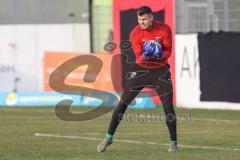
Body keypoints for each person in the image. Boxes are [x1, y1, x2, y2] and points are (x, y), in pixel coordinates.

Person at [97, 6, 177, 152]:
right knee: (122, 104)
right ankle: (108, 138)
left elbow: (168, 51)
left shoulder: (164, 29)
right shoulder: (135, 33)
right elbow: (139, 55)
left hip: (160, 71)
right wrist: (149, 53)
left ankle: (173, 143)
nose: (141, 22)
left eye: (144, 19)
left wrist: (159, 53)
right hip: (141, 70)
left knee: (168, 108)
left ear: (151, 17)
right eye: (139, 19)